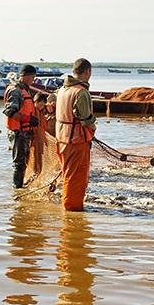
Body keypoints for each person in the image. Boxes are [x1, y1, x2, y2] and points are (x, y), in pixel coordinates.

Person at [56, 58, 96, 211]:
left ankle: (69, 208)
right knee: (76, 179)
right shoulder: (80, 92)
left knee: (68, 176)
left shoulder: (63, 90)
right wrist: (93, 127)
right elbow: (86, 119)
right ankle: (72, 213)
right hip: (76, 142)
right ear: (87, 72)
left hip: (62, 141)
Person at [3, 64, 39, 189]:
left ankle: (20, 186)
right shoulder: (16, 91)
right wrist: (29, 119)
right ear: (25, 76)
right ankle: (17, 189)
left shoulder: (24, 89)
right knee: (19, 164)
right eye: (33, 77)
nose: (33, 80)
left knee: (23, 162)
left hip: (24, 132)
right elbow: (10, 112)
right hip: (18, 132)